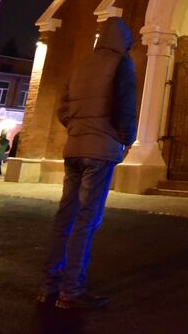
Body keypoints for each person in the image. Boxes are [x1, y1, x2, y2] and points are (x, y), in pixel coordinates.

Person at [38, 17, 137, 310]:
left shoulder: (83, 64)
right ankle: (72, 291)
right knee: (87, 219)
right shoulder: (121, 64)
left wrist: (77, 128)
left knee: (65, 216)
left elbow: (63, 108)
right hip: (101, 151)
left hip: (74, 149)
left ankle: (48, 286)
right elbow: (125, 108)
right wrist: (125, 139)